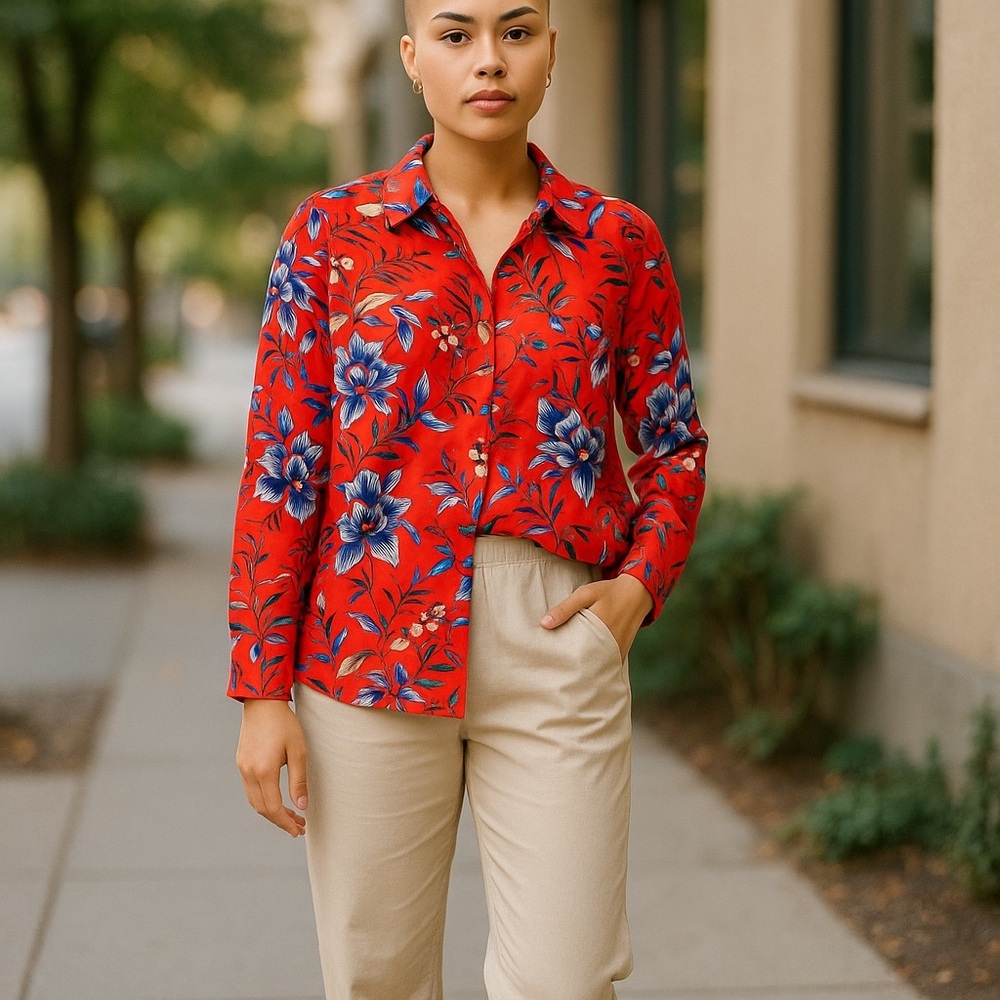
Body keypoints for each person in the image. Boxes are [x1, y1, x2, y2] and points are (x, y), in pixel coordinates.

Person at [229, 1, 708, 997]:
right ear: (411, 59)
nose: (487, 60)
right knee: (378, 979)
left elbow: (672, 444)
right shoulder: (331, 237)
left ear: (549, 51)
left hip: (555, 628)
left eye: (515, 31)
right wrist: (262, 690)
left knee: (566, 978)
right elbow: (283, 465)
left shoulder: (618, 243)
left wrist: (632, 591)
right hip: (367, 639)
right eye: (455, 36)